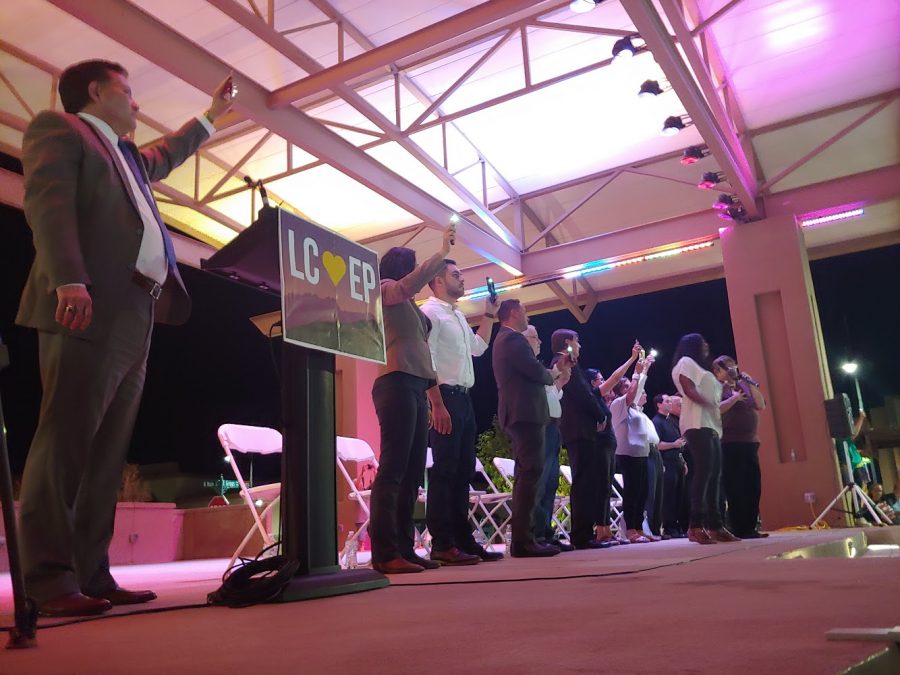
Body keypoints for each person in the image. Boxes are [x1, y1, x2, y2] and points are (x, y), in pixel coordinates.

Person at [16, 60, 234, 617]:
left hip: (139, 310)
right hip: (86, 302)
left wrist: (210, 117)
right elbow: (48, 204)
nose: (137, 104)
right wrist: (69, 278)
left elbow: (169, 152)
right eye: (128, 92)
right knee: (65, 439)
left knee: (107, 452)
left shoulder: (129, 158)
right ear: (95, 91)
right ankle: (46, 578)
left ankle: (92, 574)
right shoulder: (59, 129)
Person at [369, 226, 455, 574]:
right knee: (393, 470)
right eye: (414, 266)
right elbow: (407, 285)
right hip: (394, 382)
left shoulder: (409, 306)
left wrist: (436, 400)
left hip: (415, 386)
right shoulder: (385, 290)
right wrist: (441, 252)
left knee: (411, 475)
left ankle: (404, 548)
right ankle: (385, 552)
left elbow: (424, 358)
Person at [422, 260, 501, 564]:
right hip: (445, 397)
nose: (462, 278)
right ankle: (442, 542)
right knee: (445, 471)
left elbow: (478, 348)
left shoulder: (454, 314)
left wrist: (490, 314)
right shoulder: (431, 313)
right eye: (456, 275)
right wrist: (436, 403)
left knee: (462, 471)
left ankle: (462, 539)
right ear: (438, 281)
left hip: (464, 399)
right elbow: (425, 359)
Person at [492, 299, 570, 557]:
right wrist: (554, 373)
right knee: (530, 475)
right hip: (524, 414)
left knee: (528, 474)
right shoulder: (513, 340)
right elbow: (536, 372)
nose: (527, 315)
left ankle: (525, 538)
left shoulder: (505, 339)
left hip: (521, 414)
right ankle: (524, 540)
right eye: (525, 310)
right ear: (514, 313)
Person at [671, 334, 739, 545]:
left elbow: (714, 396)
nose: (707, 345)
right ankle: (696, 525)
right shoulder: (686, 362)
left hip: (711, 426)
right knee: (704, 475)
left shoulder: (704, 370)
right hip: (697, 423)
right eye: (703, 342)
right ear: (693, 346)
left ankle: (716, 525)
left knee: (714, 476)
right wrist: (707, 403)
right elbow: (688, 388)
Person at [552, 329, 613, 550]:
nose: (580, 346)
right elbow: (582, 393)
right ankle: (581, 535)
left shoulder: (566, 362)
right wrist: (601, 414)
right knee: (584, 483)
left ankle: (584, 533)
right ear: (568, 342)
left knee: (587, 482)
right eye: (577, 341)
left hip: (579, 430)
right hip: (578, 429)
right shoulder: (564, 362)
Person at [584, 343, 641, 545]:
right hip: (599, 446)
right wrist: (632, 359)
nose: (604, 380)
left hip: (608, 445)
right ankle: (601, 529)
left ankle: (606, 529)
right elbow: (616, 378)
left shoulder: (600, 401)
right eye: (600, 379)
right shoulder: (593, 396)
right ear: (592, 382)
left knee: (607, 487)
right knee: (601, 487)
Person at [523, 325, 571, 551]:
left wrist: (560, 382)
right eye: (535, 337)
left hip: (552, 423)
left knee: (550, 481)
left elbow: (551, 395)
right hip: (540, 423)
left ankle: (544, 530)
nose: (539, 342)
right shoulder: (530, 367)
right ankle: (535, 533)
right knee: (540, 480)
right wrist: (556, 376)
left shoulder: (540, 367)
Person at [712, 355, 768, 538]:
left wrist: (751, 383)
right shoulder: (715, 387)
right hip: (729, 443)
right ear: (717, 371)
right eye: (727, 367)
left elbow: (760, 405)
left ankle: (750, 527)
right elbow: (715, 409)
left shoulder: (743, 384)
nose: (732, 370)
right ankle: (738, 527)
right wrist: (734, 399)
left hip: (750, 442)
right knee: (735, 487)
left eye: (733, 366)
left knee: (753, 485)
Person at [610, 358, 657, 543]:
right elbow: (632, 393)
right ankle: (630, 529)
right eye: (627, 385)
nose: (633, 387)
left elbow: (636, 392)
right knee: (632, 492)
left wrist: (645, 369)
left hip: (642, 454)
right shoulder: (618, 404)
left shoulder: (636, 409)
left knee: (642, 492)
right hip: (627, 454)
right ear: (621, 390)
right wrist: (637, 372)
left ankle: (638, 527)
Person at [652, 394, 688, 538]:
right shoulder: (657, 422)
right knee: (669, 497)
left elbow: (680, 443)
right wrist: (674, 445)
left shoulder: (671, 421)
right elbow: (657, 444)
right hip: (667, 463)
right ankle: (669, 528)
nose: (669, 404)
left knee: (679, 497)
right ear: (659, 405)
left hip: (677, 462)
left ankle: (678, 527)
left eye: (670, 401)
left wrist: (683, 461)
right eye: (667, 401)